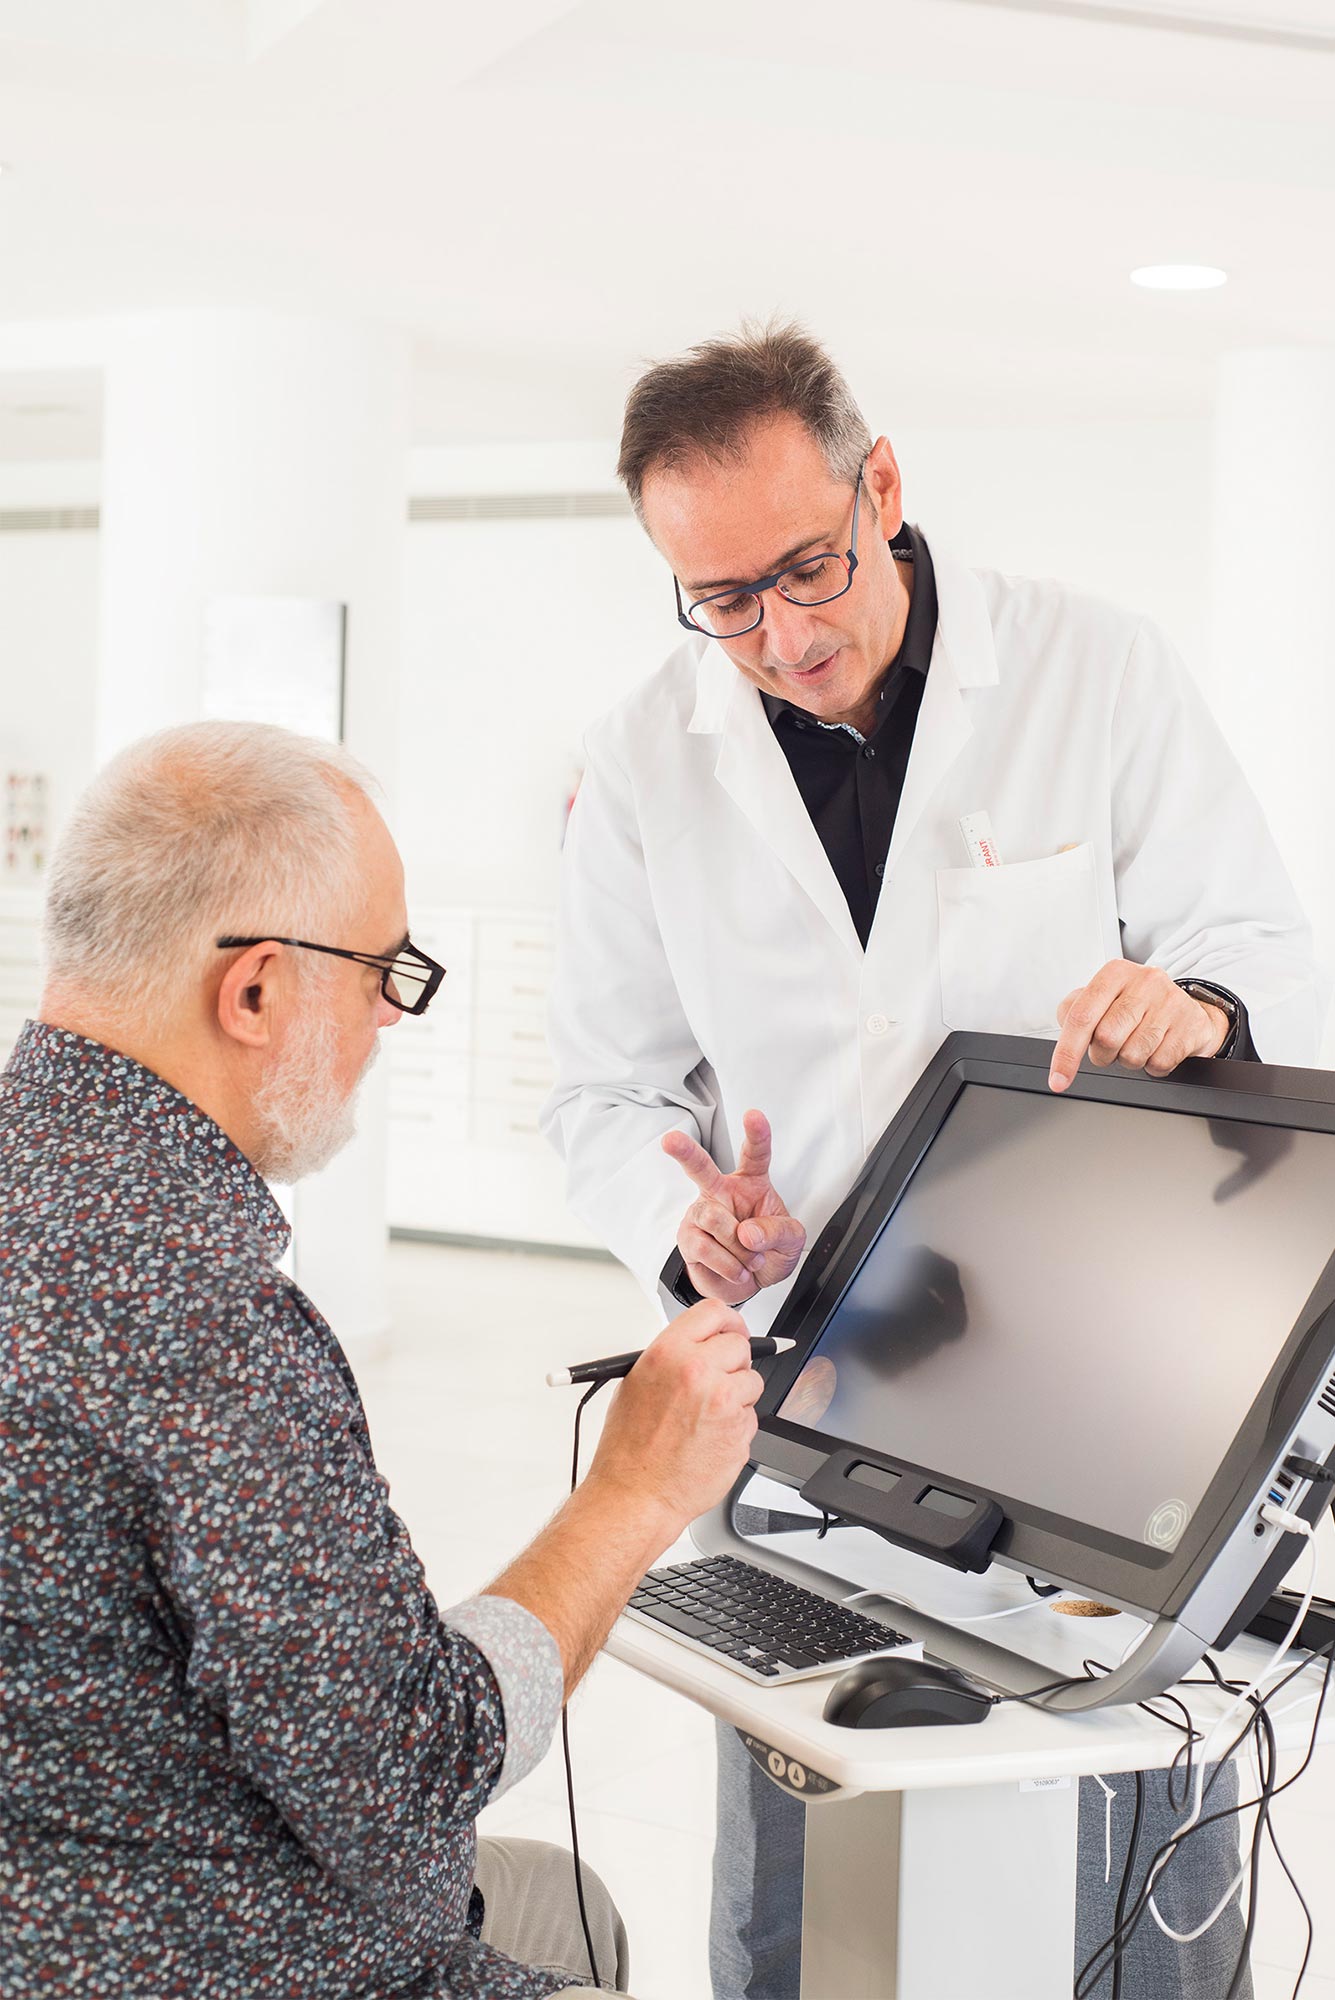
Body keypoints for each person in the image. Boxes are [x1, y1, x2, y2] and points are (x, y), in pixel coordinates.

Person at [542, 323, 1325, 1999]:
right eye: (721, 601)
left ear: (880, 487)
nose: (781, 635)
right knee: (804, 1882)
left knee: (1130, 1862)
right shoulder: (643, 758)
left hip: (1104, 1377)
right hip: (821, 1390)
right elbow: (600, 1090)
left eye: (805, 570)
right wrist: (691, 1226)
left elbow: (1258, 940)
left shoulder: (1091, 668)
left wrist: (1197, 1003)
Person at [0, 720, 764, 2000]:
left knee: (560, 1900)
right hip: (193, 1951)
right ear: (254, 991)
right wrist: (635, 1488)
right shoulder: (199, 1317)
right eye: (383, 971)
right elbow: (410, 1770)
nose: (392, 1015)